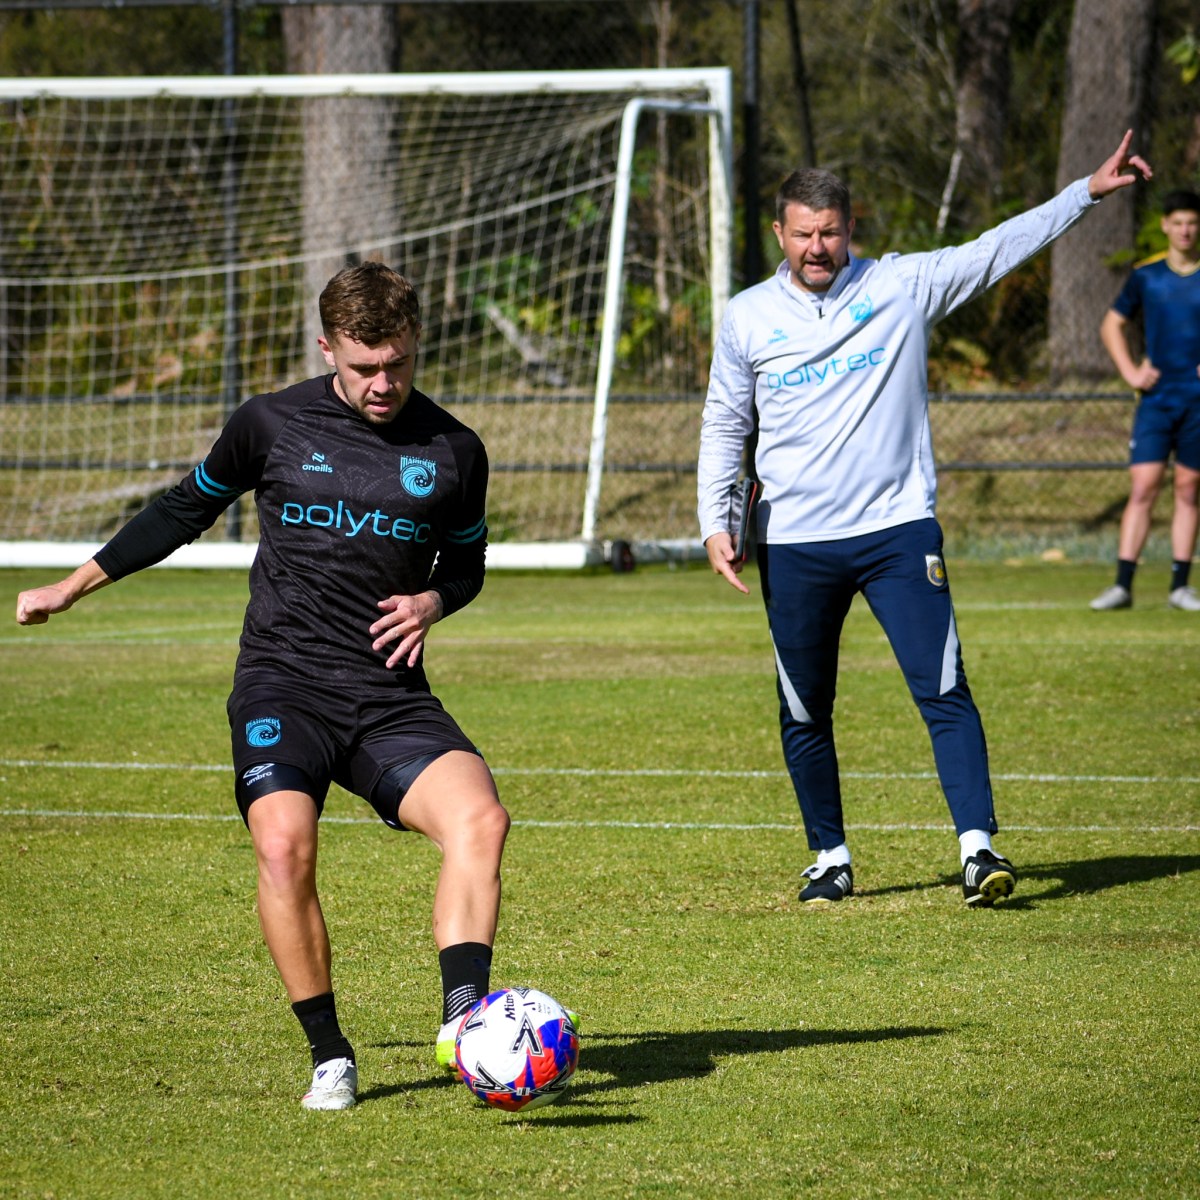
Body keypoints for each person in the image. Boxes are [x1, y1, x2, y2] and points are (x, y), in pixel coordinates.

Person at [15, 262, 510, 1110]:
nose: (383, 383)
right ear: (327, 348)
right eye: (363, 367)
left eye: (397, 363)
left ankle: (465, 1025)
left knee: (481, 820)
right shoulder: (270, 423)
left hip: (388, 695)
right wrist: (72, 585)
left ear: (416, 345)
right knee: (283, 846)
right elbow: (183, 508)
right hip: (283, 683)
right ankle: (330, 1055)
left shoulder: (454, 450)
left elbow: (466, 565)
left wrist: (433, 599)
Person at [698, 132, 1152, 907]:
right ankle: (830, 858)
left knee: (944, 688)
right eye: (803, 233)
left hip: (897, 532)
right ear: (779, 233)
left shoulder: (902, 285)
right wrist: (715, 521)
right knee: (804, 707)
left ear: (851, 227)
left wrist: (1085, 191)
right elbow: (724, 421)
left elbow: (996, 249)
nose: (817, 247)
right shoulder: (747, 317)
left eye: (830, 231)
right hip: (796, 543)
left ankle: (979, 850)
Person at [1090, 189, 1200, 612]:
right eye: (1178, 222)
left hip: (1196, 403)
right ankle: (1122, 585)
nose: (1185, 230)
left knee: (1188, 489)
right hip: (1156, 401)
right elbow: (1111, 325)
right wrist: (1131, 371)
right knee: (1143, 487)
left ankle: (1180, 587)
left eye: (1192, 222)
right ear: (1166, 226)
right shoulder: (1146, 276)